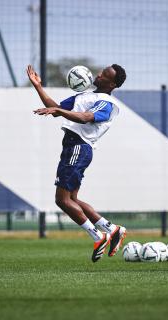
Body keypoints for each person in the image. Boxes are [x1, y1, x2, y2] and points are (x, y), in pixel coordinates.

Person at [27, 64, 127, 263]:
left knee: (62, 200)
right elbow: (54, 108)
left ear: (112, 84)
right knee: (72, 199)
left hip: (79, 148)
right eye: (100, 72)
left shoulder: (106, 102)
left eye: (104, 75)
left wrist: (58, 111)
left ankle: (98, 237)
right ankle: (112, 229)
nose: (98, 75)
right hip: (73, 147)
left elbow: (85, 118)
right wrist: (38, 86)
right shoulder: (83, 96)